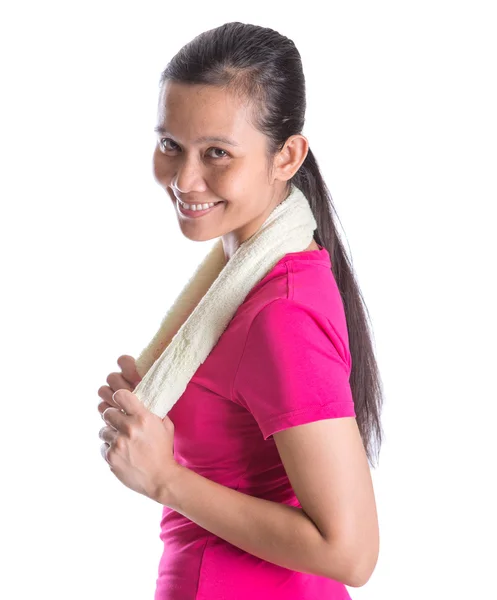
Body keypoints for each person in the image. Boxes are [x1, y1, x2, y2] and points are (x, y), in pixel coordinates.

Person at [98, 21, 383, 600]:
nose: (185, 178)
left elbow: (351, 553)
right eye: (170, 144)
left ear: (287, 157)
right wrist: (166, 414)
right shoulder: (245, 278)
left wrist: (165, 478)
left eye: (217, 154)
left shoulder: (283, 313)